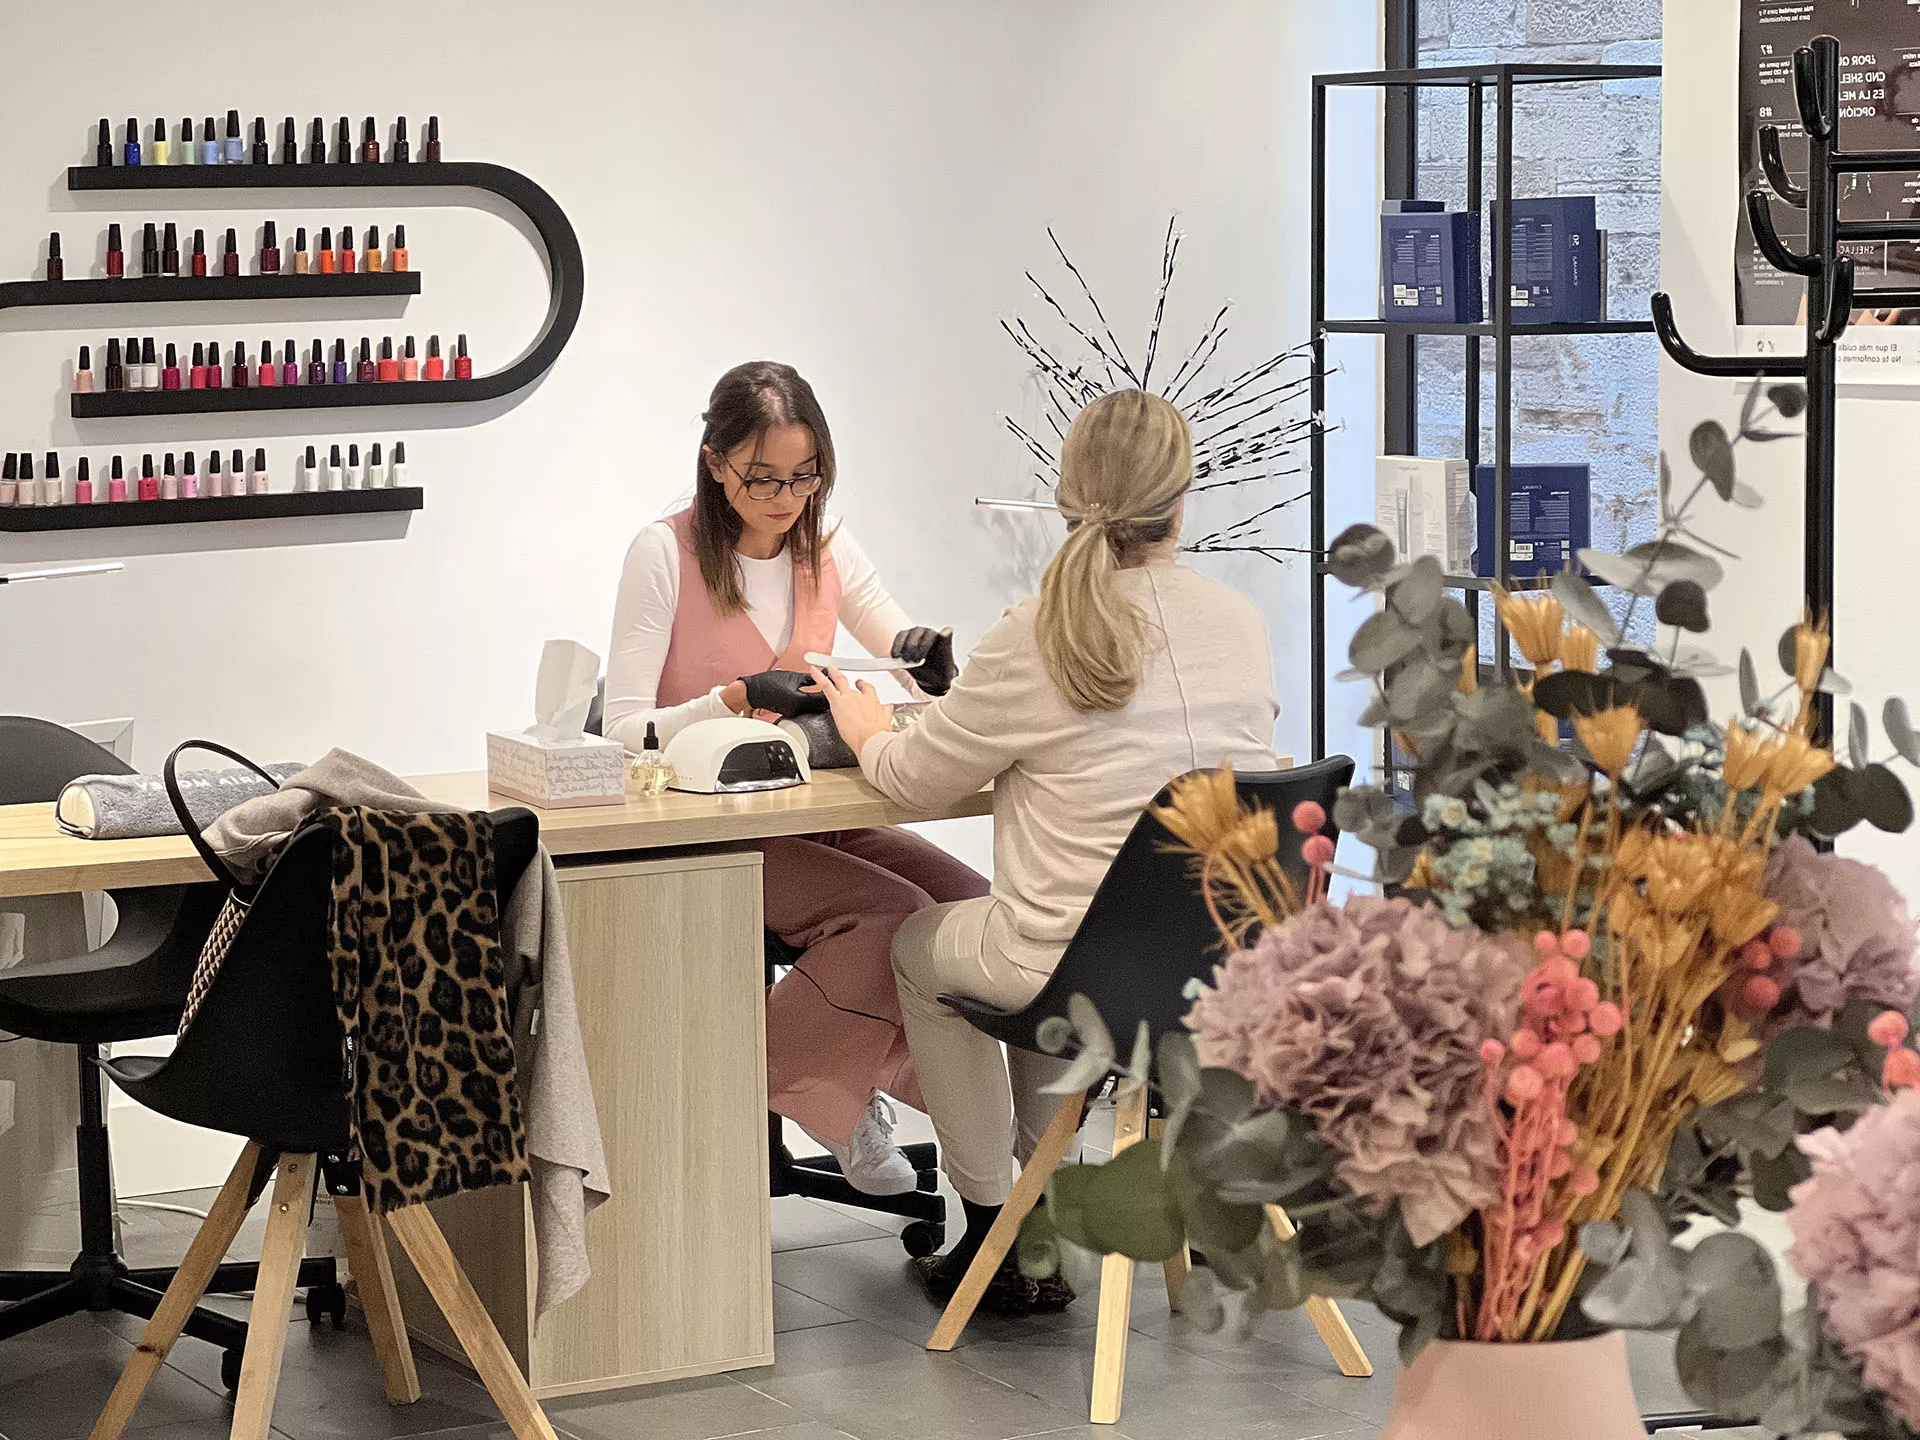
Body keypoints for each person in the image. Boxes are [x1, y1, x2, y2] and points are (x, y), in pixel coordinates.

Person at [813, 388, 1280, 1311]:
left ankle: (994, 1222)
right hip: (1221, 965)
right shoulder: (1242, 622)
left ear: (1065, 497)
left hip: (1072, 968)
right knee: (1029, 940)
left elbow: (914, 779)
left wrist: (867, 728)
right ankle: (1036, 1212)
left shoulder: (1034, 631)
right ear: (1182, 502)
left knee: (929, 948)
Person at [603, 360, 988, 1194]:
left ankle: (925, 1119)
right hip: (709, 829)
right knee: (890, 913)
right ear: (715, 464)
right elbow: (622, 730)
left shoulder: (829, 542)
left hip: (817, 811)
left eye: (807, 475)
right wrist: (731, 700)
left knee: (967, 909)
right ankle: (805, 1102)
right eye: (764, 478)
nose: (788, 497)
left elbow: (897, 646)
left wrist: (927, 661)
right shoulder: (662, 554)